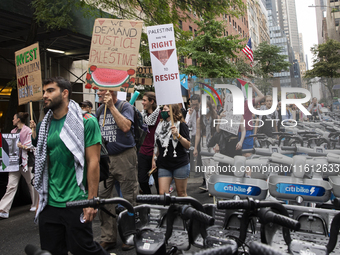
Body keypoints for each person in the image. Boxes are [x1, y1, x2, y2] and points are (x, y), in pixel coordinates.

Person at [31, 77, 107, 255]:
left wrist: (91, 201)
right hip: (50, 203)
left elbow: (93, 162)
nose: (45, 95)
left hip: (77, 199)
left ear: (65, 93)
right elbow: (44, 163)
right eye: (44, 92)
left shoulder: (86, 121)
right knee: (51, 251)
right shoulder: (44, 125)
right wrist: (40, 198)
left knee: (84, 250)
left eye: (50, 91)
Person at [96, 89, 138, 251]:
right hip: (106, 159)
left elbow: (126, 127)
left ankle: (130, 235)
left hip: (124, 157)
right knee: (102, 198)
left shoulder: (125, 106)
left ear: (110, 92)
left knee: (129, 197)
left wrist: (112, 107)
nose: (98, 93)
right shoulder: (99, 110)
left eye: (101, 91)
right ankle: (108, 237)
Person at [0, 112, 38, 219]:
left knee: (31, 184)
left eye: (13, 118)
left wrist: (22, 146)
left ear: (18, 120)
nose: (12, 120)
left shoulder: (28, 130)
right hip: (14, 163)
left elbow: (32, 145)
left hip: (26, 162)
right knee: (11, 185)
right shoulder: (13, 131)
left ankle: (35, 204)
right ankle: (3, 209)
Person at [153, 105, 191, 197]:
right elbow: (157, 146)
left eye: (165, 109)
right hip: (164, 164)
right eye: (162, 110)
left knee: (181, 193)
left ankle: (184, 211)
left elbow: (188, 145)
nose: (162, 111)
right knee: (163, 194)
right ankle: (170, 210)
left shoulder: (181, 125)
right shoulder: (160, 126)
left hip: (180, 163)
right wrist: (153, 159)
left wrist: (178, 136)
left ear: (172, 111)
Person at [138, 92, 160, 194]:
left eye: (144, 100)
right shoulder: (141, 115)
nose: (142, 103)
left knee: (159, 182)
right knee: (142, 180)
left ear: (152, 101)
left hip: (156, 152)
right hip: (143, 152)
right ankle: (149, 199)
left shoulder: (160, 114)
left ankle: (161, 203)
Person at [185, 94, 205, 189]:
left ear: (200, 103)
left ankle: (203, 175)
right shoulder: (190, 112)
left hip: (203, 136)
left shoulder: (203, 112)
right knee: (194, 155)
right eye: (193, 104)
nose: (194, 106)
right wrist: (189, 114)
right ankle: (196, 171)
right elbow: (187, 124)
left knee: (202, 156)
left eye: (196, 104)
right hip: (193, 136)